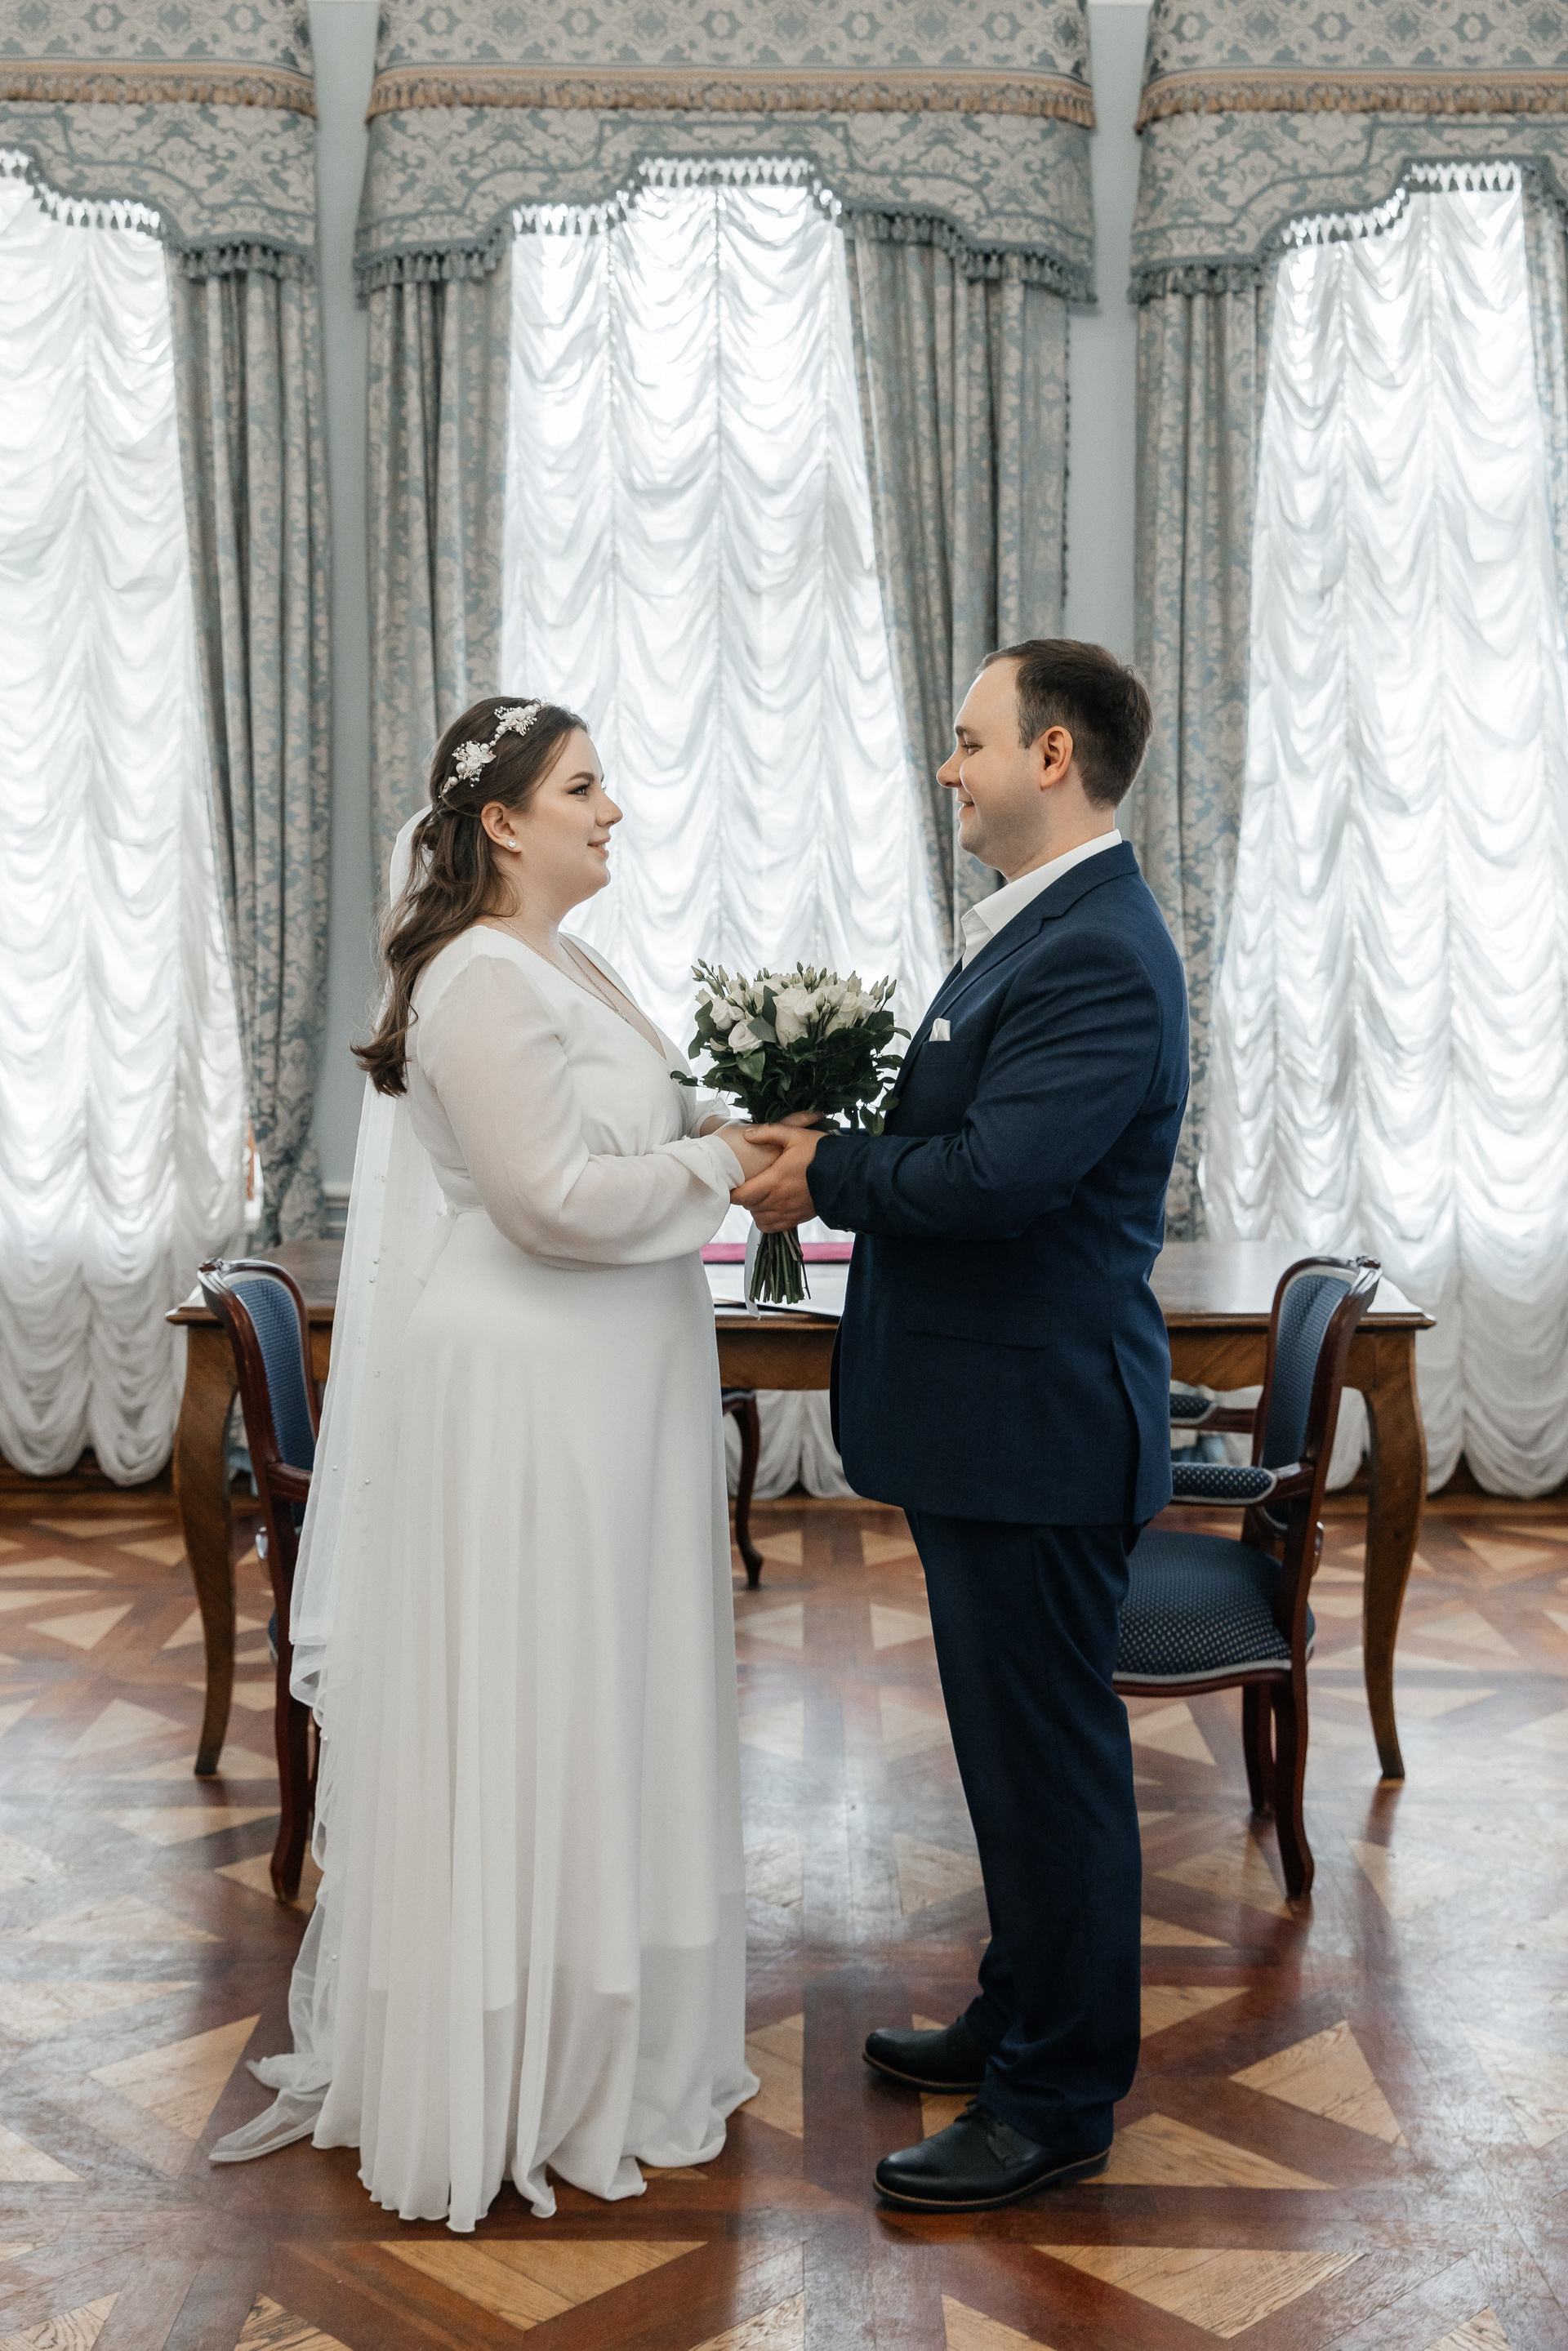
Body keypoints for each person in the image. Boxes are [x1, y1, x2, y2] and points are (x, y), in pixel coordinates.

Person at [210, 696, 781, 2231]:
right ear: (505, 822)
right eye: (586, 787)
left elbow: (617, 1137)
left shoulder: (565, 963)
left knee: (611, 1683)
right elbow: (546, 1201)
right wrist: (722, 1167)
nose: (614, 810)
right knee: (544, 1681)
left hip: (610, 1377)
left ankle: (611, 2025)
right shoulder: (473, 975)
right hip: (534, 1382)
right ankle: (517, 2065)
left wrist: (742, 1132)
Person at [735, 639, 1189, 2212]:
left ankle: (1057, 2097)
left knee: (1051, 1769)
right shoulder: (1045, 928)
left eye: (970, 739)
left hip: (1036, 1430)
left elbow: (1000, 1179)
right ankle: (1020, 2010)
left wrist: (827, 1173)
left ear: (1052, 756)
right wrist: (846, 1144)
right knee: (1010, 1761)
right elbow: (978, 1137)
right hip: (996, 1424)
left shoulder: (1096, 949)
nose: (950, 768)